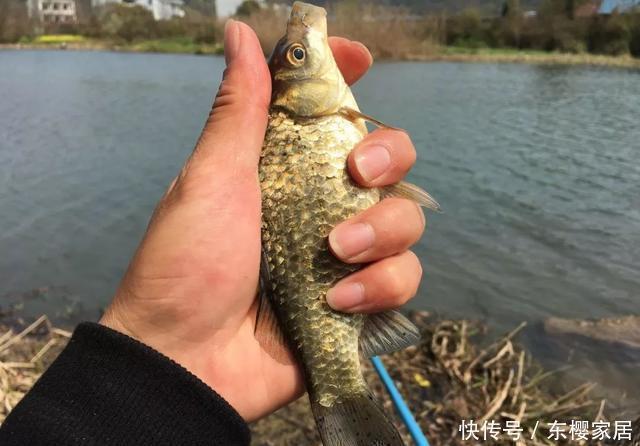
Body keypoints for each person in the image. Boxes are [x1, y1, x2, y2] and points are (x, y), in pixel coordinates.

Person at [0, 21, 426, 445]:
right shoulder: (319, 115)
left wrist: (147, 360)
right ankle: (340, 396)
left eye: (298, 55)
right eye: (299, 56)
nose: (304, 45)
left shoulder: (316, 114)